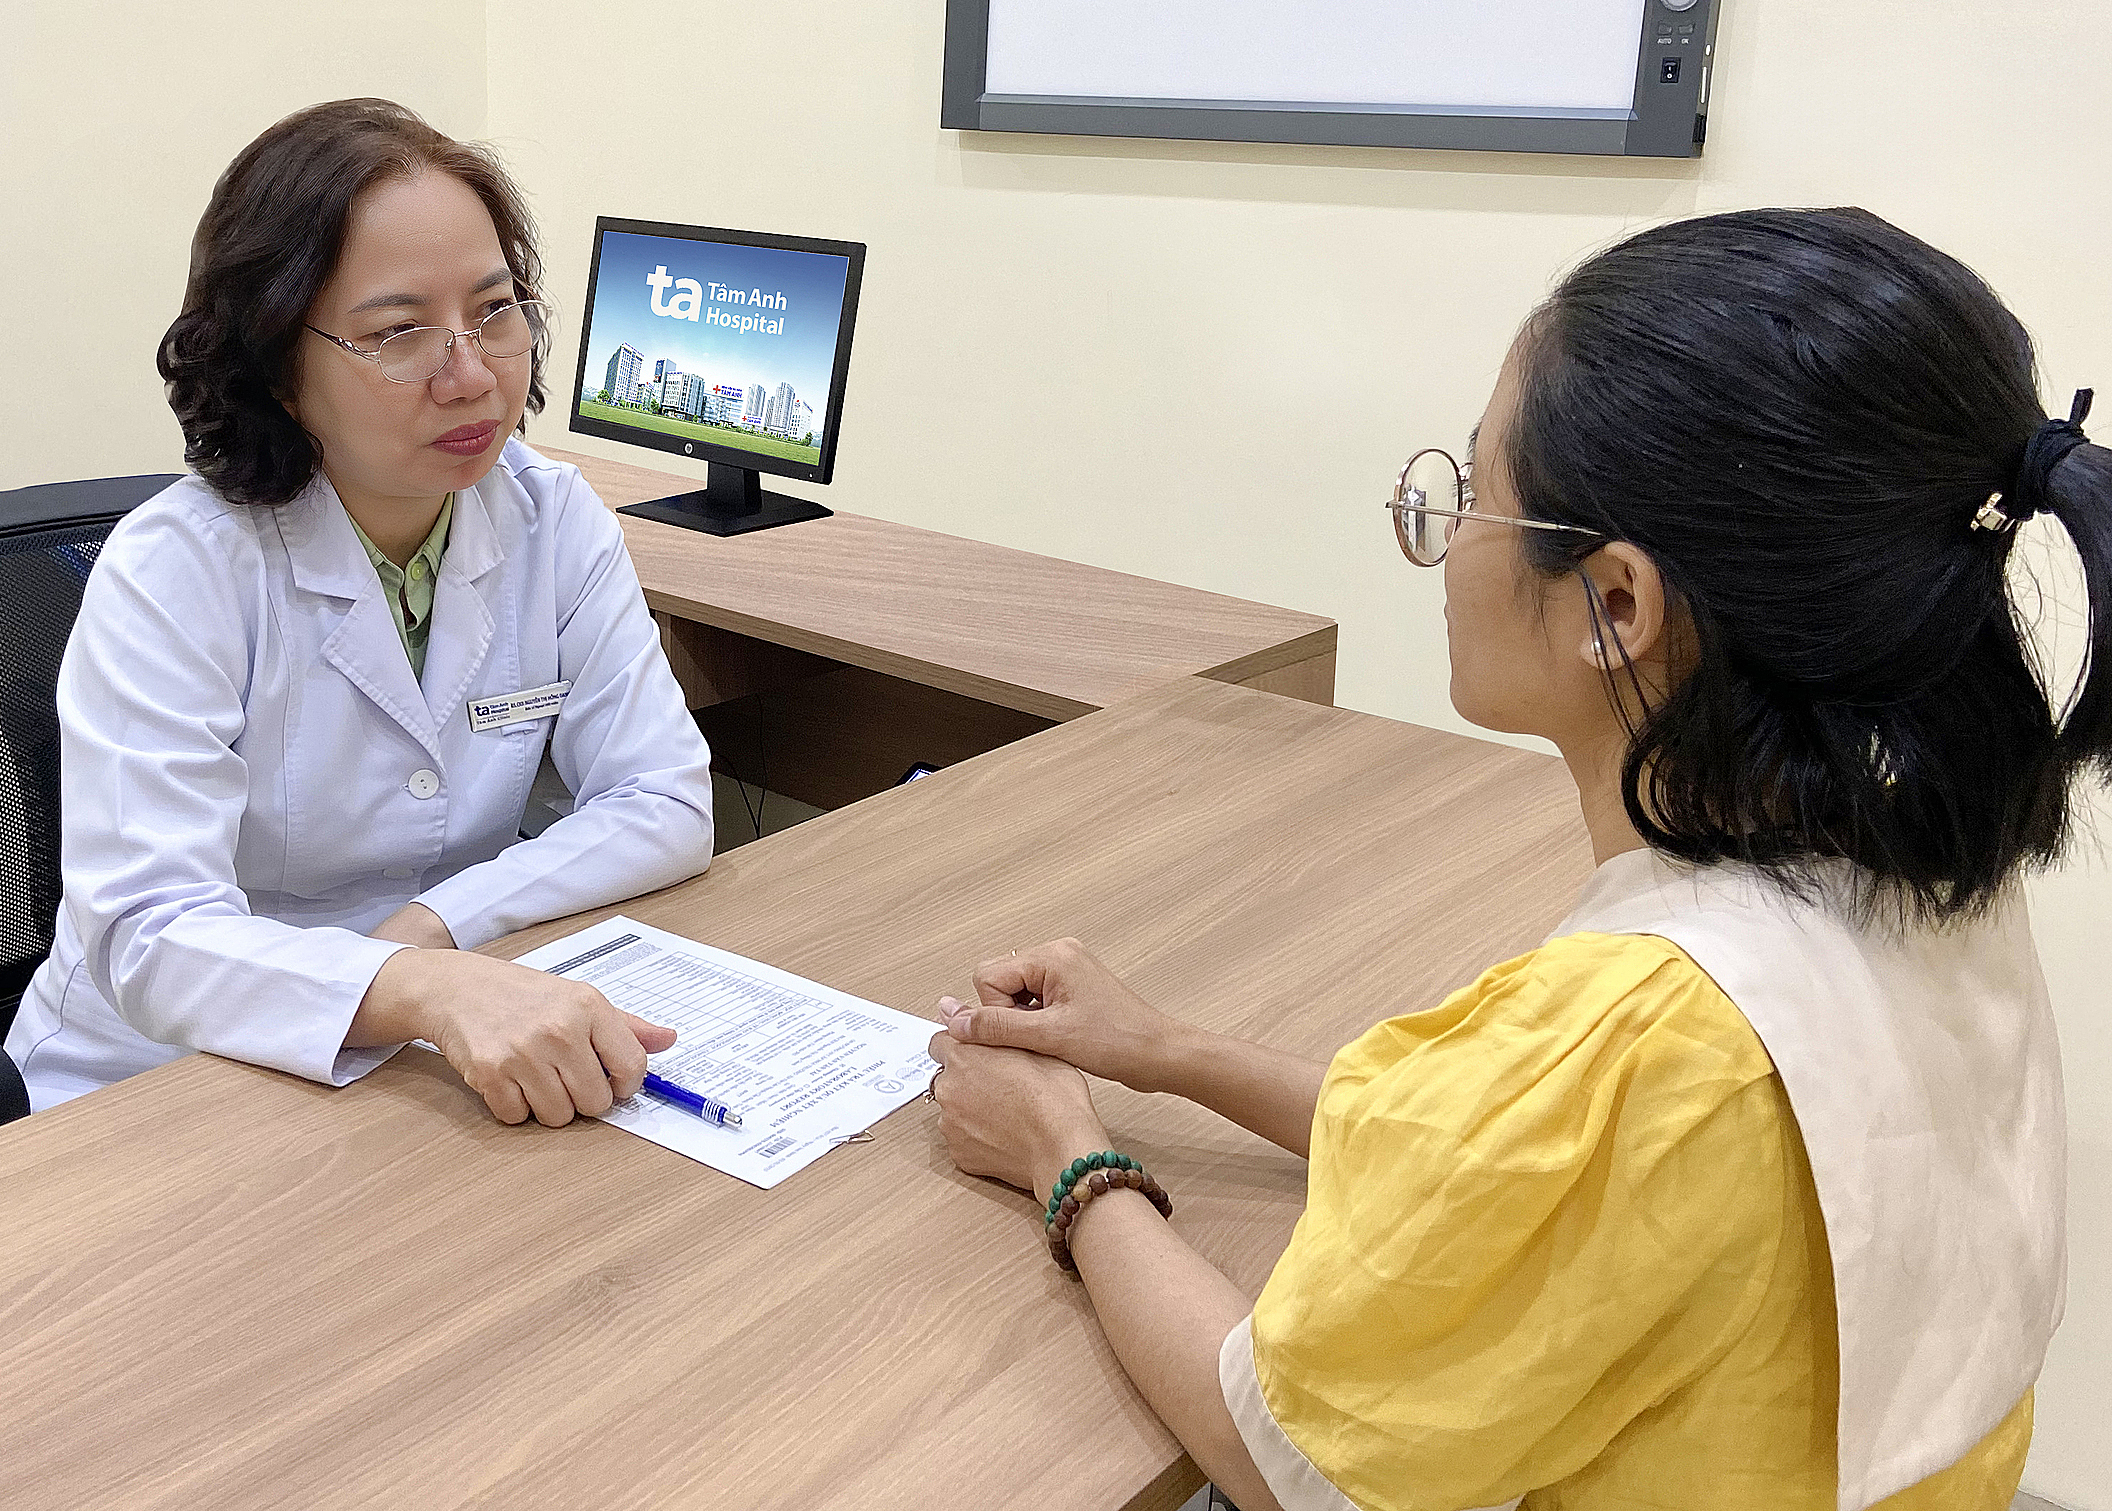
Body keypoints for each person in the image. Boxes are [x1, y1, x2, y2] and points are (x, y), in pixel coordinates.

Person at [925, 209, 2106, 1509]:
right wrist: (1168, 1050)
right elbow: (1494, 1163)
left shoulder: (1639, 1040)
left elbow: (1280, 1457)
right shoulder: (1920, 875)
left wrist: (1068, 1157)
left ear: (1617, 603)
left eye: (1477, 490)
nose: (1447, 535)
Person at [5, 99, 715, 1125]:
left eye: (494, 310)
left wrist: (430, 932)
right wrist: (417, 985)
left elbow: (664, 800)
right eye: (397, 332)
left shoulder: (551, 518)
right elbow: (152, 935)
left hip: (421, 1059)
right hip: (157, 1083)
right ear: (277, 365)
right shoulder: (178, 569)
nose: (470, 374)